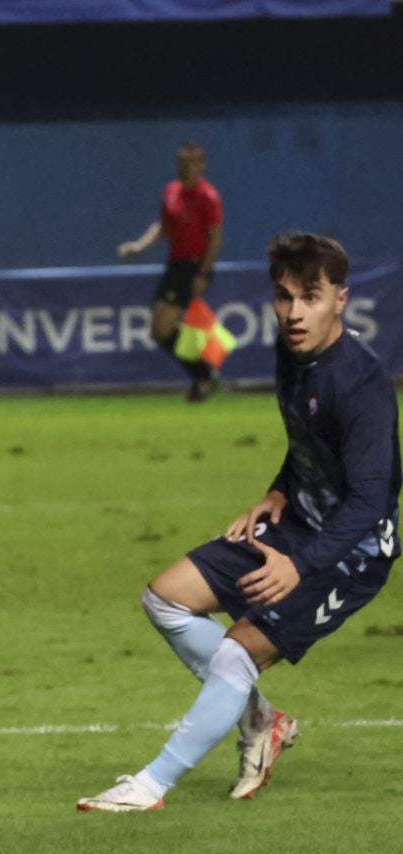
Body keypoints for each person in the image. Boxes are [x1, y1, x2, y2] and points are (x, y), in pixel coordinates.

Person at [79, 233, 398, 812]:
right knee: (165, 599)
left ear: (340, 300)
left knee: (234, 653)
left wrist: (300, 566)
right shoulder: (291, 352)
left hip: (352, 553)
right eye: (284, 297)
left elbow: (371, 501)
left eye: (311, 297)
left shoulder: (363, 382)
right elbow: (310, 439)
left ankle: (151, 785)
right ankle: (262, 720)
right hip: (297, 522)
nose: (295, 313)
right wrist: (278, 489)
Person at [117, 141, 225, 402]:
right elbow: (164, 226)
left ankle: (204, 374)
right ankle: (204, 374)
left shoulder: (208, 196)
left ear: (202, 165)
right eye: (181, 162)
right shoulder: (172, 191)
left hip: (193, 266)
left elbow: (215, 238)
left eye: (192, 162)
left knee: (163, 327)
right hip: (175, 265)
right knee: (160, 331)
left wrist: (203, 273)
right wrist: (139, 246)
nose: (185, 167)